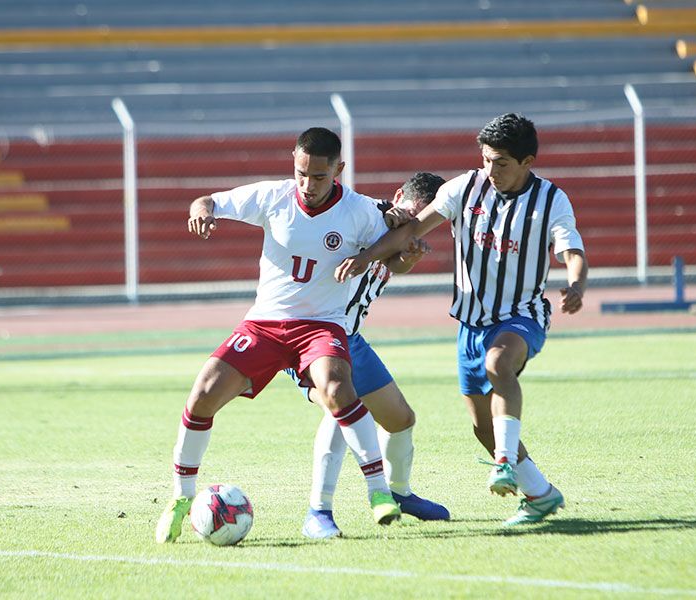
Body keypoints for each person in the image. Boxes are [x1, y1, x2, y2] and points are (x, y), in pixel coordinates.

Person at [335, 113, 588, 527]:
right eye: (487, 159)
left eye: (502, 163)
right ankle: (540, 494)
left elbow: (571, 249)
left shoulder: (551, 200)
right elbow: (413, 227)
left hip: (521, 315)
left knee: (499, 365)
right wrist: (365, 258)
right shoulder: (464, 188)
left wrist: (576, 284)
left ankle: (504, 463)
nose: (492, 171)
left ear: (527, 162)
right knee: (482, 428)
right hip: (470, 325)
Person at [155, 127, 402, 544]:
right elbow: (209, 200)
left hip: (321, 324)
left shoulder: (361, 211)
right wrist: (202, 209)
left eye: (319, 176)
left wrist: (366, 256)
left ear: (339, 170)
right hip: (264, 323)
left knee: (339, 389)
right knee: (201, 395)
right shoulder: (273, 196)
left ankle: (378, 491)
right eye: (301, 172)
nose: (307, 184)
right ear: (294, 161)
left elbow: (401, 238)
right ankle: (181, 499)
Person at [288, 172, 451, 539]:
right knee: (342, 408)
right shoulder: (363, 217)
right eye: (413, 216)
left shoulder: (403, 237)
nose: (415, 227)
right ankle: (318, 511)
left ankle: (400, 492)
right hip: (310, 334)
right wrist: (392, 226)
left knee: (400, 420)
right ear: (397, 197)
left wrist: (408, 256)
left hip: (351, 339)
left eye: (424, 224)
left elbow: (394, 262)